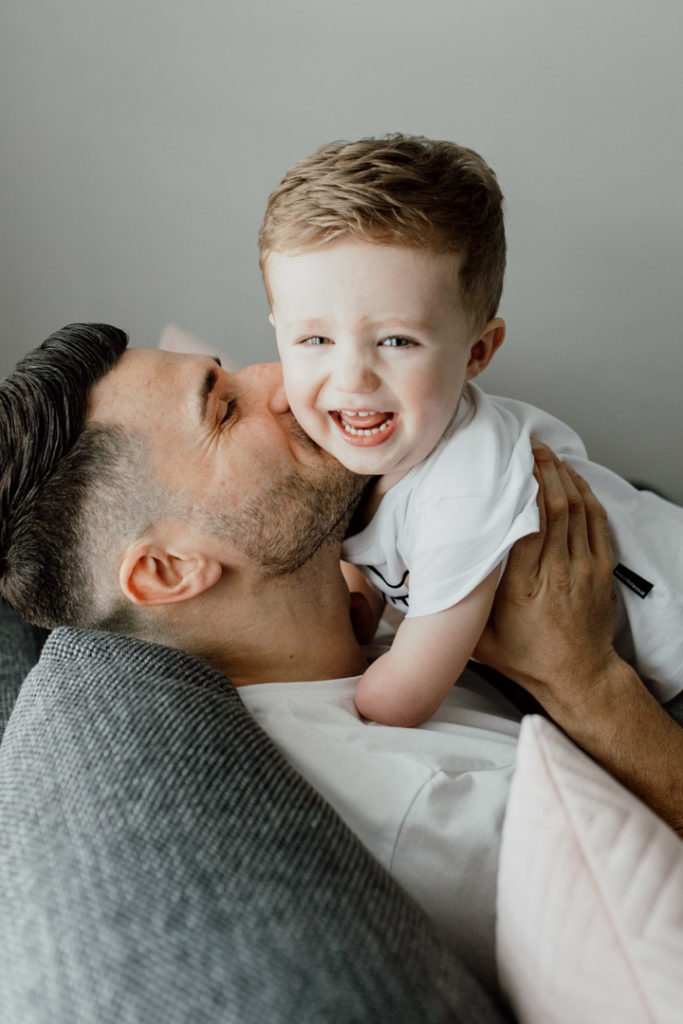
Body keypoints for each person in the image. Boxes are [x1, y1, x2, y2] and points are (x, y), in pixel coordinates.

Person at [0, 324, 680, 993]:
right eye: (224, 407)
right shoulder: (424, 804)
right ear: (172, 570)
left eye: (227, 370)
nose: (286, 379)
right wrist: (585, 682)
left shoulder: (341, 624)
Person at [260, 133, 683, 727]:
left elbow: (401, 698)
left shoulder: (463, 489)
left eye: (396, 341)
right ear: (278, 332)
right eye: (315, 340)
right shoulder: (368, 443)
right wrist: (357, 600)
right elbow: (376, 541)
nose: (351, 377)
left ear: (477, 350)